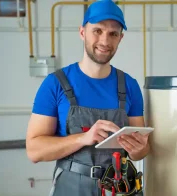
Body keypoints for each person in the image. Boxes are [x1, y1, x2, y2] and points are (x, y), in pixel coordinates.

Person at [25, 0, 150, 195]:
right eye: (97, 31)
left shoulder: (129, 85)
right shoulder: (55, 84)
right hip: (72, 186)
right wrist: (83, 138)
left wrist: (139, 149)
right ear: (82, 32)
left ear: (120, 38)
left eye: (113, 34)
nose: (105, 41)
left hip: (120, 186)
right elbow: (34, 151)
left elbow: (140, 151)